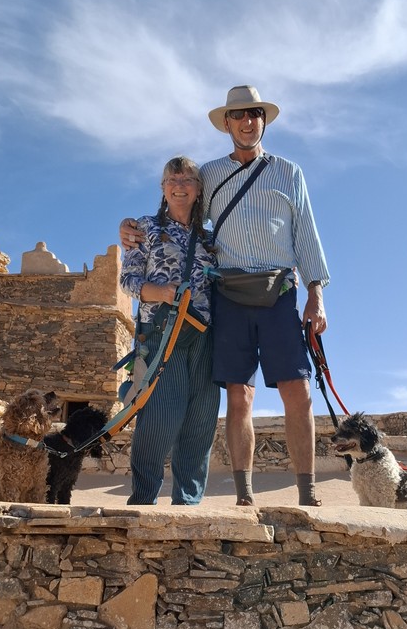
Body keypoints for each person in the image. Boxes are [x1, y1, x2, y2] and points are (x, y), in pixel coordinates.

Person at [121, 86, 329, 507]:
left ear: (263, 120)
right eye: (239, 115)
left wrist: (316, 293)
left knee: (289, 393)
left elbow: (305, 232)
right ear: (227, 125)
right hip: (211, 306)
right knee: (223, 399)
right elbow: (166, 223)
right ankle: (230, 496)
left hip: (269, 296)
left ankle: (304, 493)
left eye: (255, 114)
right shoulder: (208, 176)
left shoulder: (289, 172)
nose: (248, 121)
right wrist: (129, 227)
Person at [120, 156, 220, 505]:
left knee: (201, 418)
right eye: (172, 178)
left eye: (188, 179)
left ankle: (188, 503)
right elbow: (128, 280)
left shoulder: (210, 238)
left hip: (205, 335)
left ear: (198, 189)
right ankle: (143, 498)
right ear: (163, 188)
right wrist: (161, 293)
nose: (180, 184)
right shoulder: (143, 228)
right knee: (161, 414)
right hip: (162, 329)